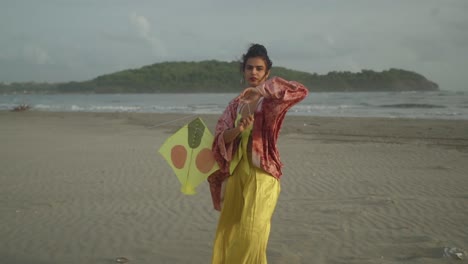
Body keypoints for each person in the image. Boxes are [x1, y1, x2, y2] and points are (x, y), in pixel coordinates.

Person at [208, 43, 309, 263]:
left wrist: (261, 90)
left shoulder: (271, 101)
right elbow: (219, 138)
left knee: (251, 233)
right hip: (236, 175)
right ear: (243, 71)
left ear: (267, 73)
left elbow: (299, 91)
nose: (253, 72)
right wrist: (239, 129)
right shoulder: (235, 105)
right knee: (229, 233)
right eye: (249, 68)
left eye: (259, 69)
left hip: (263, 174)